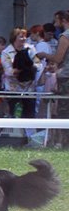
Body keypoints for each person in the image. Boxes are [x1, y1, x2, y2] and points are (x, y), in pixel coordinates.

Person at [0, 27, 39, 120]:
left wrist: (32, 67)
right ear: (14, 38)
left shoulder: (31, 49)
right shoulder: (6, 52)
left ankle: (29, 134)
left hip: (29, 89)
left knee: (29, 116)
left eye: (25, 36)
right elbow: (8, 71)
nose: (24, 39)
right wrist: (19, 70)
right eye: (21, 37)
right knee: (14, 115)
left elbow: (38, 64)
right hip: (13, 90)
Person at [45, 11, 69, 147]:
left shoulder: (65, 36)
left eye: (56, 21)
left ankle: (64, 141)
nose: (55, 24)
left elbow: (58, 58)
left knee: (64, 110)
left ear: (63, 20)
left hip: (66, 77)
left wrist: (44, 54)